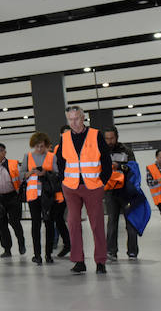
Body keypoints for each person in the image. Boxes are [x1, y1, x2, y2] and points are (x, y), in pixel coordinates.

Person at [55, 106, 112, 274]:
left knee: (97, 224)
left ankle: (100, 261)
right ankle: (79, 260)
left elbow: (106, 161)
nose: (74, 122)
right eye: (70, 119)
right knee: (73, 223)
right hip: (71, 187)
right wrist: (63, 181)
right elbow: (61, 162)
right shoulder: (64, 138)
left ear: (83, 118)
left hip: (93, 186)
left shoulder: (95, 135)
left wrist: (102, 181)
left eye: (77, 118)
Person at [20, 132, 60, 265]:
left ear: (46, 145)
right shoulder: (28, 156)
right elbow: (21, 176)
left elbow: (57, 174)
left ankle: (48, 254)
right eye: (36, 146)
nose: (39, 149)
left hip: (48, 195)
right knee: (35, 225)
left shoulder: (52, 156)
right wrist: (30, 172)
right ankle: (37, 255)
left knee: (49, 224)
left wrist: (45, 172)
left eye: (42, 146)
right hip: (33, 196)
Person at [103, 126, 139, 261]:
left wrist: (120, 166)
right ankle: (111, 251)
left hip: (126, 191)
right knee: (112, 221)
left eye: (111, 138)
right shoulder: (102, 152)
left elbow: (134, 168)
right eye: (107, 138)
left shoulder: (127, 151)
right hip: (110, 192)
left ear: (116, 137)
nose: (109, 141)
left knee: (130, 222)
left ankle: (132, 251)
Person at [0, 143, 26, 257]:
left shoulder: (14, 164)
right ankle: (7, 249)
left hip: (12, 197)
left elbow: (21, 179)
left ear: (5, 152)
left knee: (15, 222)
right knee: (1, 226)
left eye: (1, 150)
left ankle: (21, 244)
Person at [50, 125, 72, 258]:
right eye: (64, 134)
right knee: (58, 217)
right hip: (62, 187)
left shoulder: (78, 147)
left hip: (76, 186)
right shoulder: (58, 149)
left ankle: (72, 245)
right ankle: (68, 244)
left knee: (73, 219)